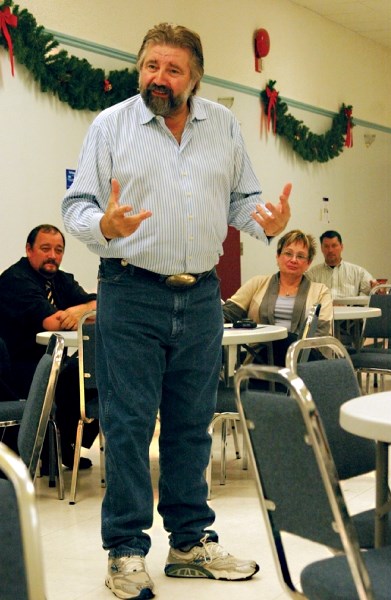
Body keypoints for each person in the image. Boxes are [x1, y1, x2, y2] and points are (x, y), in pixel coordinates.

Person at [62, 22, 292, 600]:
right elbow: (78, 204)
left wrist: (264, 221)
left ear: (195, 77)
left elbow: (243, 199)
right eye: (149, 66)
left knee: (192, 426)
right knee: (129, 424)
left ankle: (190, 544)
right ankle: (126, 552)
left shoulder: (224, 126)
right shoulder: (110, 125)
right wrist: (102, 225)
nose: (157, 79)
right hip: (130, 289)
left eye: (171, 69)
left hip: (200, 295)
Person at [0, 224, 98, 468]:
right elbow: (54, 322)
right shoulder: (16, 280)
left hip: (49, 361)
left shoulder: (60, 280)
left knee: (99, 373)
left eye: (58, 250)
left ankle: (63, 445)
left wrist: (81, 310)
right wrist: (82, 313)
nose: (53, 256)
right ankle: (55, 448)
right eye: (45, 249)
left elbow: (100, 304)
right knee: (76, 379)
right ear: (29, 250)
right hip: (16, 368)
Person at [223, 230, 333, 367]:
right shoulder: (257, 283)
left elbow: (320, 332)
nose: (293, 260)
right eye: (288, 253)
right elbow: (228, 313)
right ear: (278, 256)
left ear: (308, 263)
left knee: (284, 338)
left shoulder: (320, 291)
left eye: (300, 256)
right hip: (263, 356)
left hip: (306, 358)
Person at [306, 230, 378, 298]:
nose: (330, 250)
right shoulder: (312, 275)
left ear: (341, 247)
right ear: (321, 248)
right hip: (324, 311)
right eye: (326, 246)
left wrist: (378, 290)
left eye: (334, 246)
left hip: (351, 310)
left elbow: (375, 291)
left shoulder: (358, 272)